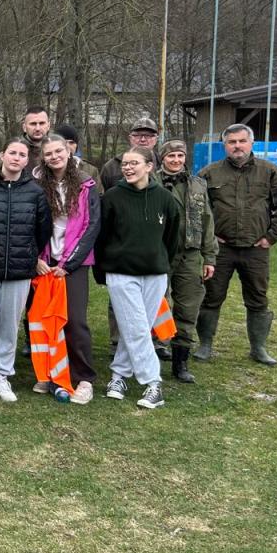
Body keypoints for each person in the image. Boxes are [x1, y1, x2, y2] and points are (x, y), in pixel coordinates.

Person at [195, 123, 277, 366]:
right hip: (220, 250)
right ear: (224, 145)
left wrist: (271, 237)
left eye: (241, 141)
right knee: (211, 297)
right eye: (232, 142)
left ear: (251, 143)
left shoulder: (271, 172)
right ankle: (205, 345)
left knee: (258, 298)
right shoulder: (208, 174)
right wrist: (208, 237)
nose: (237, 146)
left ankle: (258, 348)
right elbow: (196, 210)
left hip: (256, 250)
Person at [96, 147, 183, 410]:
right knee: (135, 325)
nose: (128, 168)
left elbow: (172, 238)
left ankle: (119, 376)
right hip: (121, 273)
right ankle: (153, 382)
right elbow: (102, 236)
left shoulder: (165, 198)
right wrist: (102, 270)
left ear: (149, 166)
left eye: (134, 163)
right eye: (125, 163)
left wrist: (162, 263)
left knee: (138, 327)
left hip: (155, 274)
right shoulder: (112, 197)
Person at [0, 139, 52, 403]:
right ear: (2, 155)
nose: (16, 158)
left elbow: (43, 229)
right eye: (12, 153)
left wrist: (29, 254)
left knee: (9, 325)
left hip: (19, 269)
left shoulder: (35, 192)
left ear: (27, 160)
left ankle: (2, 375)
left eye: (22, 154)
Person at [34, 134, 100, 404]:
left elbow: (92, 225)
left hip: (74, 263)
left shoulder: (86, 184)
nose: (54, 157)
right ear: (43, 158)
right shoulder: (38, 184)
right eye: (48, 153)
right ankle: (50, 373)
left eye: (58, 151)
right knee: (45, 320)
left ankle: (84, 377)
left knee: (74, 319)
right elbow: (30, 222)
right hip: (45, 261)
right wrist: (36, 258)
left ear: (69, 152)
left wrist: (69, 264)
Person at [157, 140, 217, 384]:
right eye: (171, 155)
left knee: (188, 307)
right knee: (155, 304)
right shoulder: (151, 181)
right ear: (162, 158)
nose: (176, 160)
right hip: (159, 253)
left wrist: (209, 256)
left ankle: (180, 361)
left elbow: (207, 220)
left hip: (189, 255)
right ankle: (153, 350)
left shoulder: (197, 184)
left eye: (180, 156)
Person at [99, 116, 160, 191]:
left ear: (156, 139)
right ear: (130, 138)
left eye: (148, 135)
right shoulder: (111, 167)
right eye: (137, 135)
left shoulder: (165, 164)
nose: (143, 139)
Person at [52, 123, 101, 187]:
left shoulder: (91, 170)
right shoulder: (47, 168)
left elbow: (98, 192)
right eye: (64, 142)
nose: (68, 146)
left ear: (76, 146)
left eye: (71, 142)